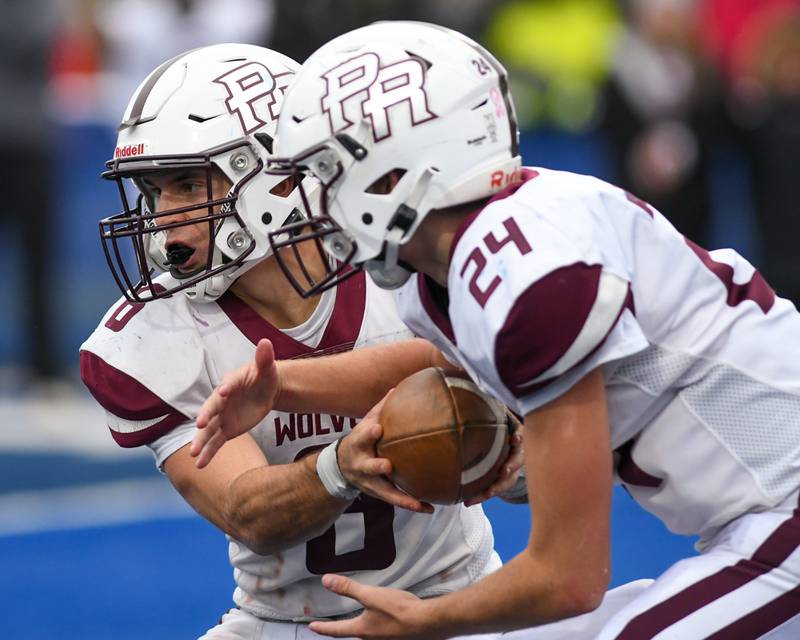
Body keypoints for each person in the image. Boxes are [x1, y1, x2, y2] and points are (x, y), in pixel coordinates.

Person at [192, 22, 800, 639]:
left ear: (396, 173)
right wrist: (282, 386)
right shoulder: (465, 261)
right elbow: (436, 361)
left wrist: (426, 620)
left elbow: (569, 576)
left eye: (326, 174)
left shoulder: (532, 274)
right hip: (760, 522)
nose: (312, 205)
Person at [79, 42, 528, 640]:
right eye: (153, 191)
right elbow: (248, 512)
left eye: (186, 184)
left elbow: (541, 460)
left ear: (278, 175)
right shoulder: (150, 337)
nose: (162, 218)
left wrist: (510, 455)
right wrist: (341, 467)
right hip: (285, 623)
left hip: (458, 602)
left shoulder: (403, 261)